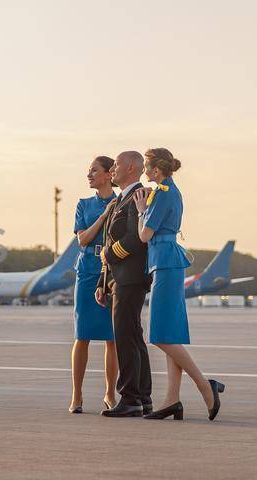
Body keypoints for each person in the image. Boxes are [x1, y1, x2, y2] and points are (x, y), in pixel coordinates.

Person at [128, 147, 226, 421]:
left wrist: (140, 210)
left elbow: (145, 235)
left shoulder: (163, 194)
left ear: (157, 170)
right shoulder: (166, 191)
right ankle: (172, 400)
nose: (144, 172)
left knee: (159, 335)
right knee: (169, 334)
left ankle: (206, 386)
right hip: (165, 263)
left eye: (146, 167)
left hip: (166, 263)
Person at [98, 151, 155, 417]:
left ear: (131, 168)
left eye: (117, 165)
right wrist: (103, 280)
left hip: (131, 277)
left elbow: (136, 238)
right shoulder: (121, 199)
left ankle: (130, 398)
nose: (113, 170)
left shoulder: (138, 195)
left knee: (125, 338)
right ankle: (142, 397)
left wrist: (109, 255)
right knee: (132, 336)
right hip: (119, 277)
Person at [67, 156, 120, 414]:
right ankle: (77, 395)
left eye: (94, 171)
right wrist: (102, 217)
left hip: (112, 271)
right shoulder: (84, 204)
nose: (89, 175)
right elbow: (83, 239)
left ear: (109, 174)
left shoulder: (123, 201)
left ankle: (110, 392)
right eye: (88, 171)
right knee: (83, 334)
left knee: (112, 337)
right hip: (87, 270)